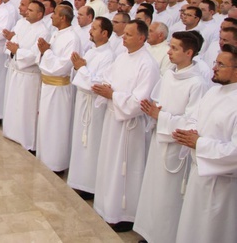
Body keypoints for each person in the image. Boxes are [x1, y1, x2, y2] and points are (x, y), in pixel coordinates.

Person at [134, 31, 208, 243]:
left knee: (169, 197)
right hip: (159, 140)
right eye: (170, 47)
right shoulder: (168, 74)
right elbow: (157, 102)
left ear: (189, 52)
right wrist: (153, 111)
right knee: (154, 192)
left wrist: (161, 117)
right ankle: (150, 234)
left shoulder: (197, 84)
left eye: (175, 48)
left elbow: (194, 123)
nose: (169, 52)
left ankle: (164, 238)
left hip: (176, 151)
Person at [91, 20, 159, 232]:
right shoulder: (122, 57)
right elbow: (107, 78)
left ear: (141, 38)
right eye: (124, 34)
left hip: (130, 126)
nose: (123, 37)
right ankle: (105, 206)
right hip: (114, 118)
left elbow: (141, 101)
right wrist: (108, 89)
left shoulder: (147, 64)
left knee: (125, 169)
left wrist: (113, 95)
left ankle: (122, 214)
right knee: (109, 164)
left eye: (128, 34)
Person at [173, 44, 237, 243]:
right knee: (191, 228)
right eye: (215, 62)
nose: (214, 68)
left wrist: (199, 143)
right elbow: (195, 118)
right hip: (198, 174)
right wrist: (191, 133)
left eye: (221, 64)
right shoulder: (213, 92)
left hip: (221, 184)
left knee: (211, 232)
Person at [67, 16, 115, 199]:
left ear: (104, 33)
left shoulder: (108, 56)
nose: (90, 31)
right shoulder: (93, 51)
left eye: (94, 28)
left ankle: (88, 185)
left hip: (94, 106)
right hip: (83, 100)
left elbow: (99, 84)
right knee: (80, 141)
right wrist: (78, 67)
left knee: (91, 143)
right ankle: (78, 180)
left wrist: (81, 69)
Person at [36, 4, 81, 173]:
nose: (51, 16)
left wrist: (46, 52)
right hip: (48, 85)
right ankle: (44, 158)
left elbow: (62, 67)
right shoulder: (57, 33)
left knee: (56, 126)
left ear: (63, 18)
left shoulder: (72, 38)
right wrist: (44, 51)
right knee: (46, 123)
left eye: (54, 13)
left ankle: (55, 164)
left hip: (59, 89)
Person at [2, 0, 49, 151]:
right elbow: (12, 42)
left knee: (25, 108)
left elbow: (35, 55)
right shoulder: (22, 24)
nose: (27, 12)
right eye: (27, 9)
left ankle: (26, 140)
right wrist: (13, 50)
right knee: (13, 103)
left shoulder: (43, 31)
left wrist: (17, 51)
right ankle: (11, 132)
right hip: (16, 70)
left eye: (31, 10)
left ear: (40, 14)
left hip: (29, 75)